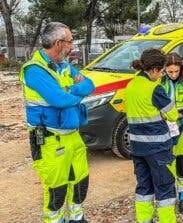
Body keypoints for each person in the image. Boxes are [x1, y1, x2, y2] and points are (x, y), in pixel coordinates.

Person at [19, 22, 95, 223]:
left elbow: (90, 85)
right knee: (57, 188)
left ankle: (77, 218)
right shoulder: (35, 70)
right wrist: (76, 92)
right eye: (70, 42)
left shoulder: (62, 65)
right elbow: (60, 100)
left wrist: (71, 91)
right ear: (59, 43)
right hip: (50, 140)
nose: (73, 47)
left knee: (80, 180)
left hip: (72, 135)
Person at [124, 48, 179, 223]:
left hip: (137, 148)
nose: (162, 75)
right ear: (154, 69)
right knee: (165, 189)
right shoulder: (154, 88)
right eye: (162, 71)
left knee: (144, 187)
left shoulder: (131, 85)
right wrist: (164, 114)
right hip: (158, 148)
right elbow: (173, 114)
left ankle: (144, 220)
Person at [162, 52, 183, 214]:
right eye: (170, 72)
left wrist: (178, 114)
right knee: (167, 167)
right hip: (164, 132)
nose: (174, 75)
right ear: (165, 70)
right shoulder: (160, 83)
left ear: (181, 69)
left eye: (176, 71)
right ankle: (169, 196)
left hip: (182, 130)